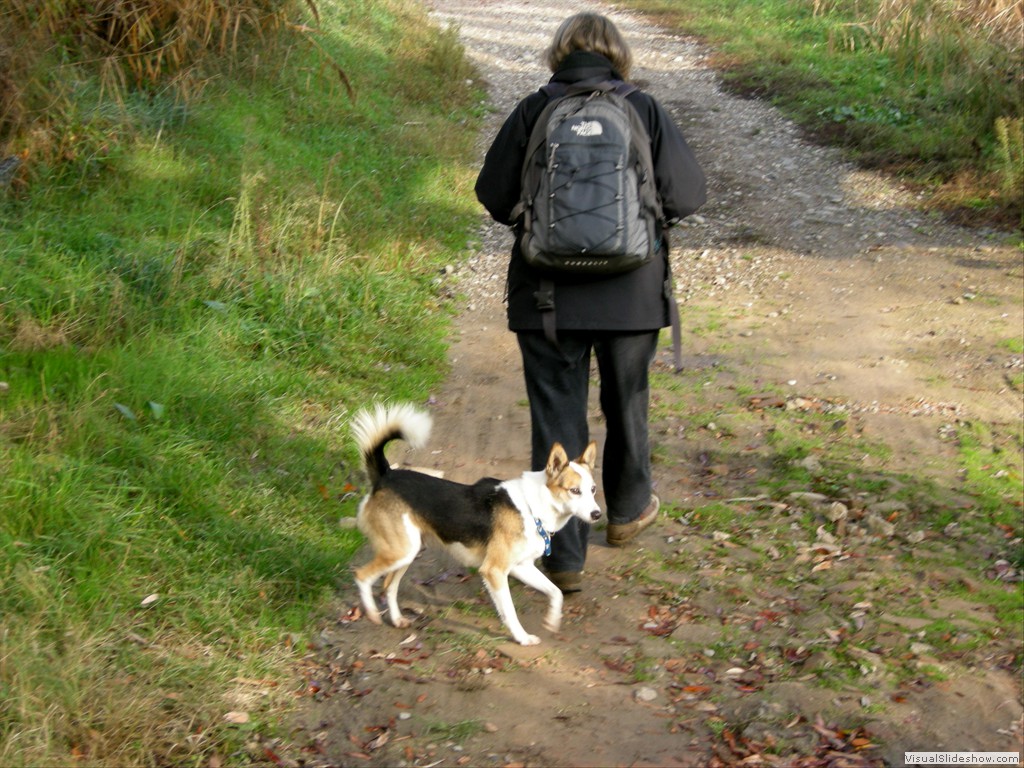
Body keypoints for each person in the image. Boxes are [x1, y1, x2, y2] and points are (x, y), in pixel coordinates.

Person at [475, 12, 707, 593]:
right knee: (627, 400)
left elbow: (494, 194)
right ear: (618, 55)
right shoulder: (644, 109)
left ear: (559, 54)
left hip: (547, 295)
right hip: (632, 294)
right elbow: (688, 194)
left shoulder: (534, 110)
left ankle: (562, 557)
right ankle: (627, 513)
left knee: (557, 416)